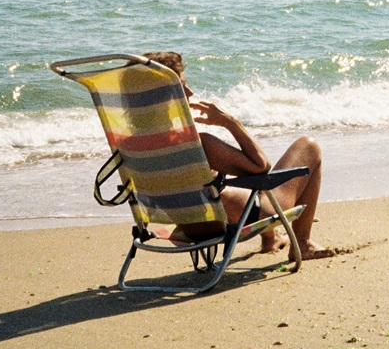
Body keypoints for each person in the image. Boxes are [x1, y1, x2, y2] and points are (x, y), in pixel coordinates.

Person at [143, 51, 335, 261]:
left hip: (189, 227)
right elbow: (261, 166)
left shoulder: (134, 146)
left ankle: (271, 239)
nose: (189, 92)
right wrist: (230, 122)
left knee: (232, 183)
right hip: (237, 219)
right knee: (308, 147)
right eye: (182, 86)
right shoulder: (198, 145)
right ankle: (302, 243)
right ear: (165, 96)